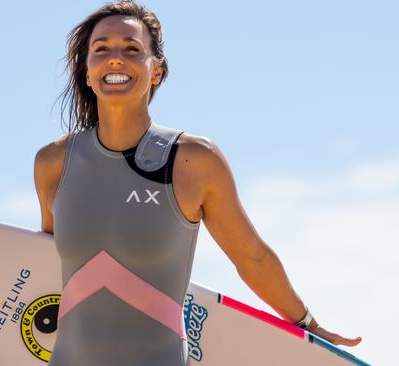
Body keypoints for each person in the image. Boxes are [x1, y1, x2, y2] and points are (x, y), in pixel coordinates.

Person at [34, 1, 362, 365]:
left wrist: (307, 325)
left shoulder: (192, 160)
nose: (115, 59)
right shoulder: (54, 163)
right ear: (87, 70)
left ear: (157, 70)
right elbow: (40, 260)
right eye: (101, 49)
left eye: (132, 49)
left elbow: (251, 256)